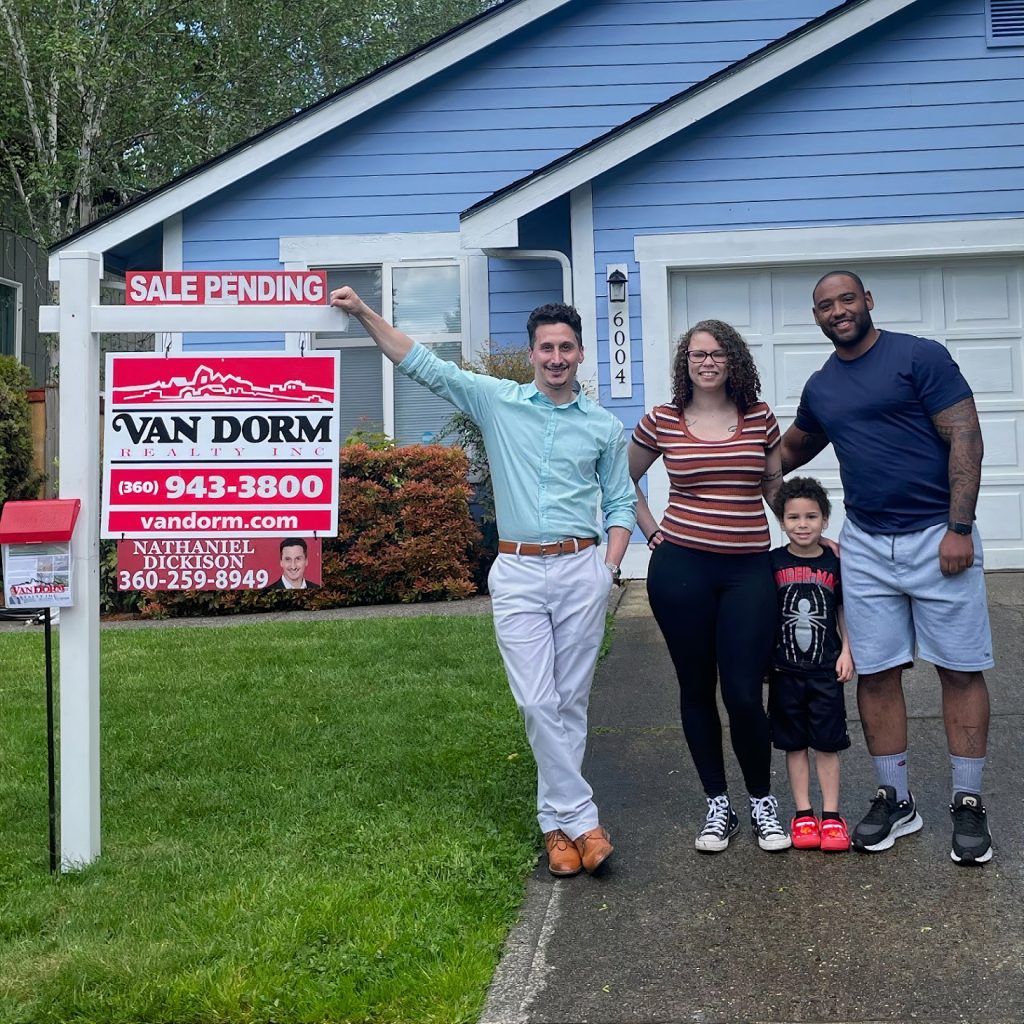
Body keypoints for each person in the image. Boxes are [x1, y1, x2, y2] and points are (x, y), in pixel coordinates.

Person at [328, 288, 636, 877]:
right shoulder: (497, 402)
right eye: (546, 347)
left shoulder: (602, 426)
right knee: (536, 700)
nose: (556, 357)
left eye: (566, 348)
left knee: (569, 702)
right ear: (532, 353)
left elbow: (621, 502)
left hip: (582, 569)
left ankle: (557, 832)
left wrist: (609, 569)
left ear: (580, 355)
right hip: (518, 570)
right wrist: (366, 314)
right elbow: (421, 363)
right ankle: (583, 818)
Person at [780, 270, 994, 865]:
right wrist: (736, 457)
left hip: (936, 536)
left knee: (959, 669)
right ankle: (896, 797)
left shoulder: (919, 357)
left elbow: (966, 437)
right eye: (825, 305)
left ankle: (969, 802)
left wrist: (958, 528)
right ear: (817, 317)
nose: (838, 311)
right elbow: (794, 447)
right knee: (876, 674)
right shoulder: (822, 386)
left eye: (847, 299)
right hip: (868, 544)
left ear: (868, 301)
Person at [629, 319, 791, 854]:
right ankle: (716, 804)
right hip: (681, 571)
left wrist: (804, 539)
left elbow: (772, 486)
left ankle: (763, 802)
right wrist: (651, 531)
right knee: (695, 687)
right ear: (686, 363)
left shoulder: (760, 418)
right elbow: (617, 478)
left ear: (733, 361)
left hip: (748, 570)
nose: (707, 362)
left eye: (717, 353)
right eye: (698, 354)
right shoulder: (663, 420)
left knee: (745, 692)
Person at [769, 476, 854, 852]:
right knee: (794, 744)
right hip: (785, 671)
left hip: (824, 670)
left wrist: (848, 651)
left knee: (827, 744)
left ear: (825, 519)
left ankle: (832, 816)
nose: (802, 525)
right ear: (781, 521)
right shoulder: (771, 563)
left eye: (811, 517)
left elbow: (841, 611)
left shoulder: (836, 564)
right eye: (793, 518)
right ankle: (803, 813)